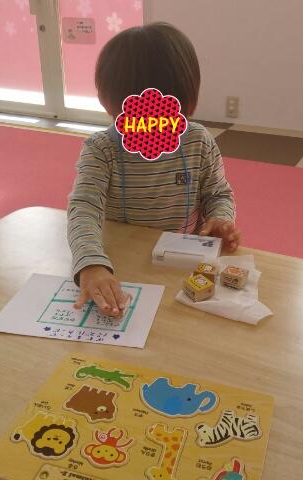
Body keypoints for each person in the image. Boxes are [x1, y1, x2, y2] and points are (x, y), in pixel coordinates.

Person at [68, 22, 240, 317]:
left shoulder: (198, 141)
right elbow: (84, 208)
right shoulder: (102, 149)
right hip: (118, 264)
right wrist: (91, 263)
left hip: (182, 264)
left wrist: (220, 219)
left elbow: (218, 194)